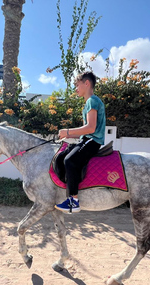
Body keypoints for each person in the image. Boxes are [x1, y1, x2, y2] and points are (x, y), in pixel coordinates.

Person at [55, 71, 106, 213]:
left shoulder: (92, 101)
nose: (76, 89)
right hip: (88, 139)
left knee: (70, 161)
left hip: (93, 141)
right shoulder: (90, 102)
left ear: (87, 83)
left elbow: (90, 128)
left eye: (77, 85)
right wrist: (70, 137)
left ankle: (73, 202)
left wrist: (67, 132)